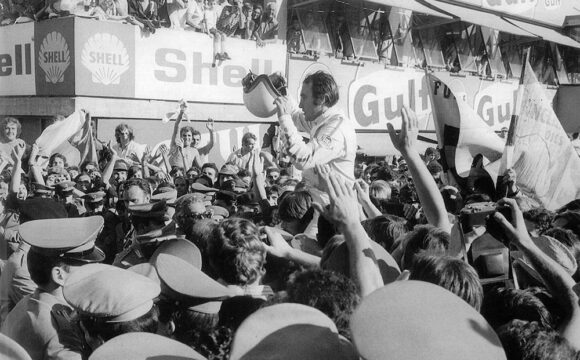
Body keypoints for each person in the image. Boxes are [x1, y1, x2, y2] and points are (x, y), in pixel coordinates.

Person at [1, 217, 105, 360]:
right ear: (59, 275)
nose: (94, 271)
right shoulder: (62, 334)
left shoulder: (29, 303)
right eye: (85, 267)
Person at [274, 71, 356, 201]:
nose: (301, 104)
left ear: (322, 99)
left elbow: (304, 159)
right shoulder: (322, 120)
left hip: (333, 210)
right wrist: (282, 90)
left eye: (304, 97)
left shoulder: (337, 129)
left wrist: (284, 119)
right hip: (322, 204)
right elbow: (295, 116)